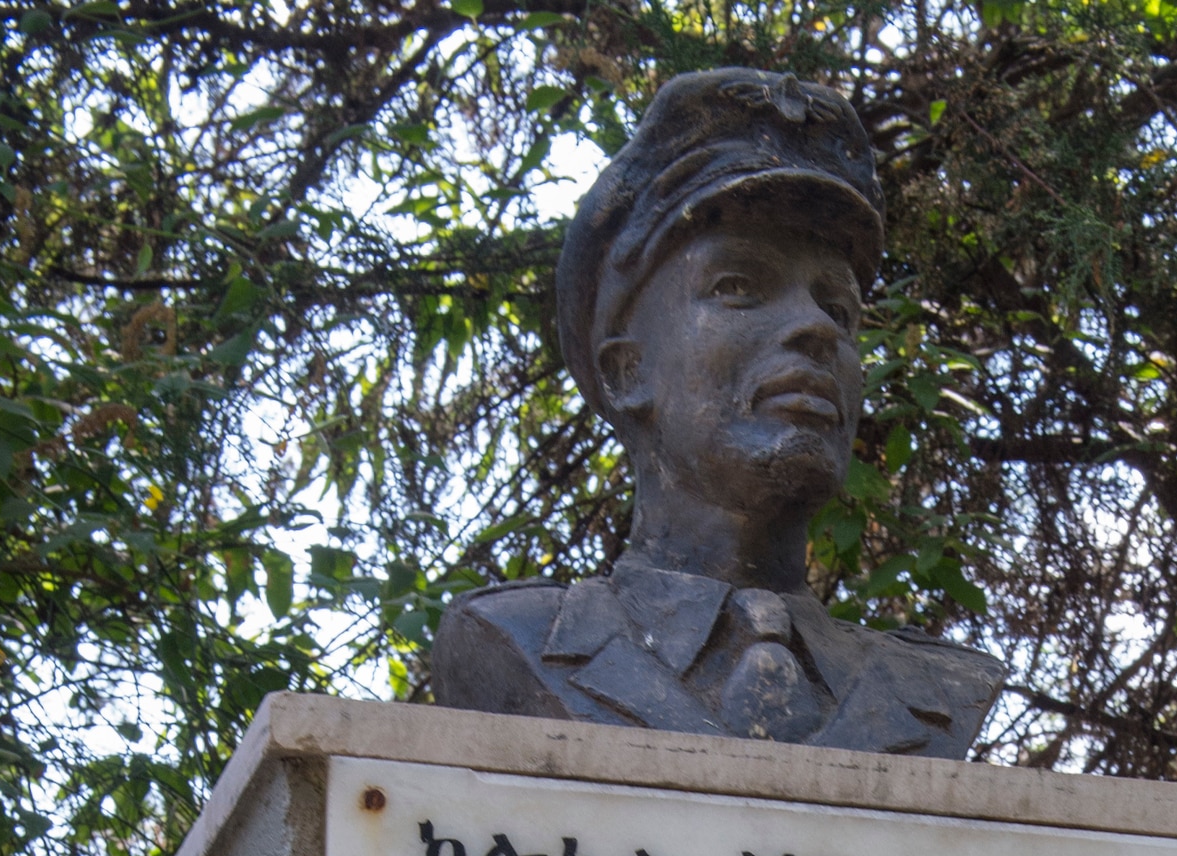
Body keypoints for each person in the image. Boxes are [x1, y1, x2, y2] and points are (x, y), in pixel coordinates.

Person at [429, 67, 1006, 759]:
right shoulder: (512, 639)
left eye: (839, 308)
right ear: (626, 372)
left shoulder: (941, 686)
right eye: (740, 286)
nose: (816, 329)